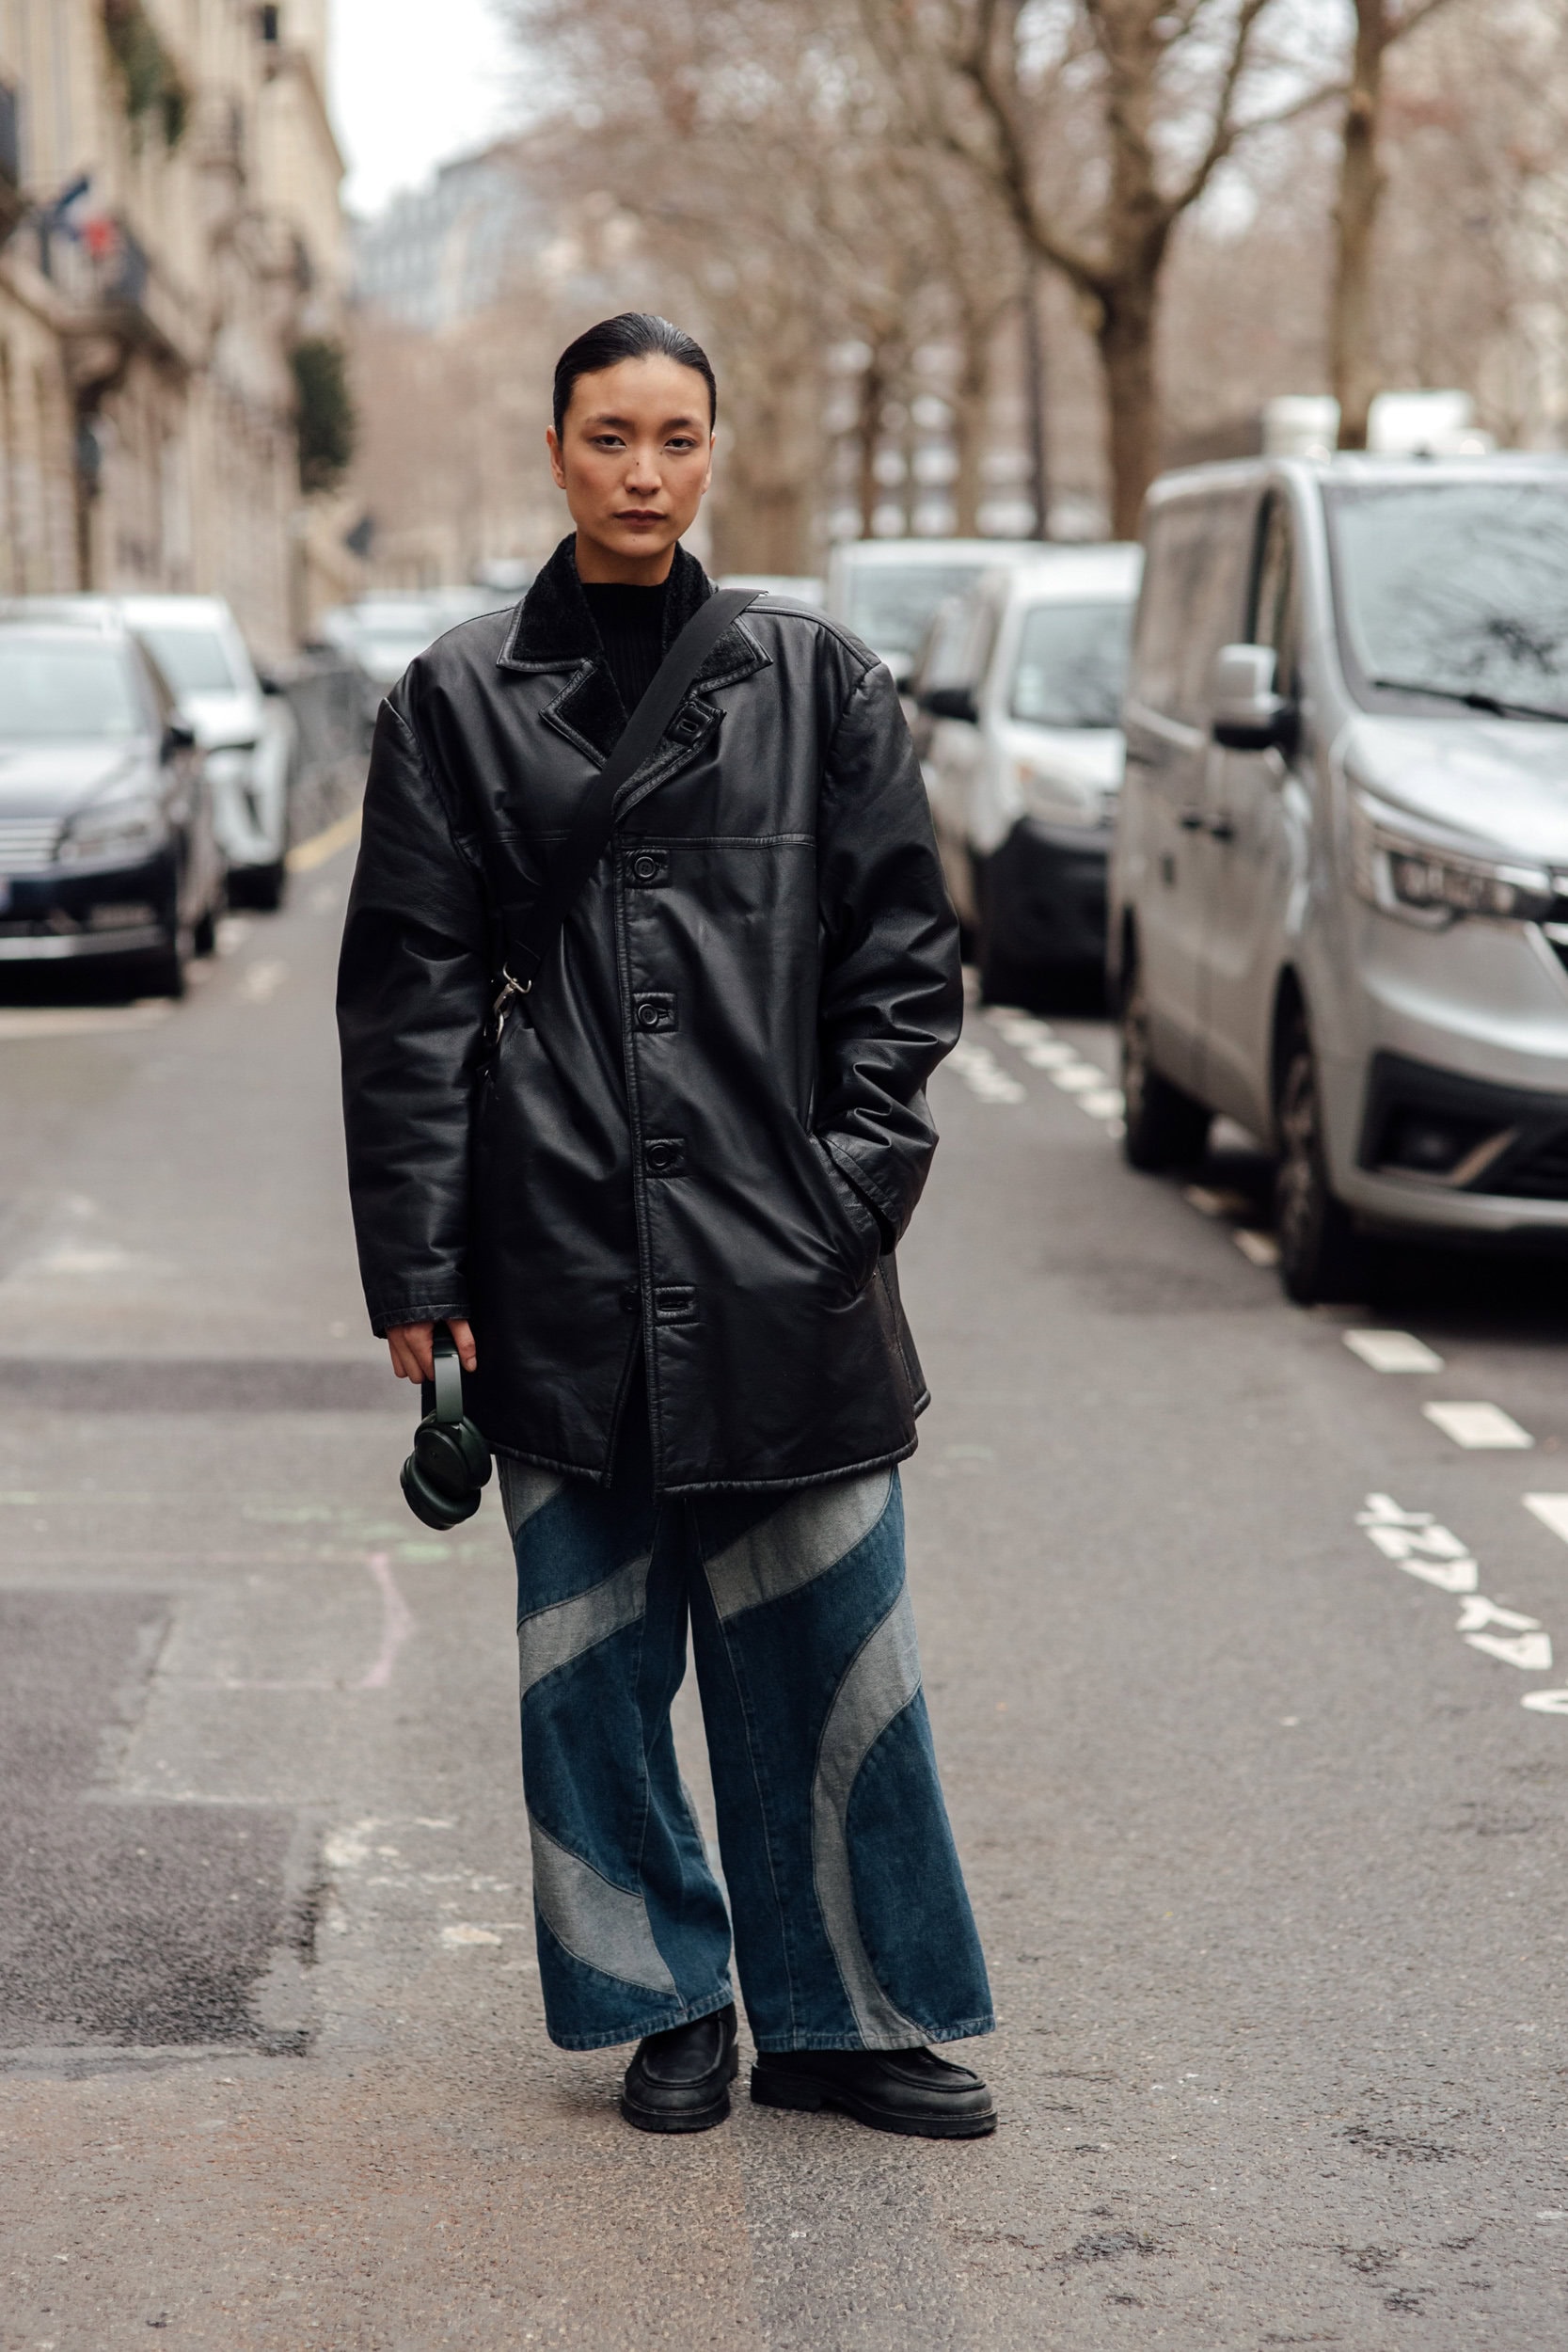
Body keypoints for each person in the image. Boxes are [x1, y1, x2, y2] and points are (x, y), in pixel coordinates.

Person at [337, 312, 994, 2138]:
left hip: (790, 1263)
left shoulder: (818, 681)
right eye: (610, 434)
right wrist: (419, 1271)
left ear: (716, 453)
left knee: (834, 1649)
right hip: (554, 1253)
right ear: (554, 448)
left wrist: (851, 1191)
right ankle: (667, 1996)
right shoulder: (455, 699)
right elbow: (404, 1004)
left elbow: (902, 965)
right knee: (594, 1669)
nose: (644, 469)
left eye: (678, 436)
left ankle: (851, 2013)